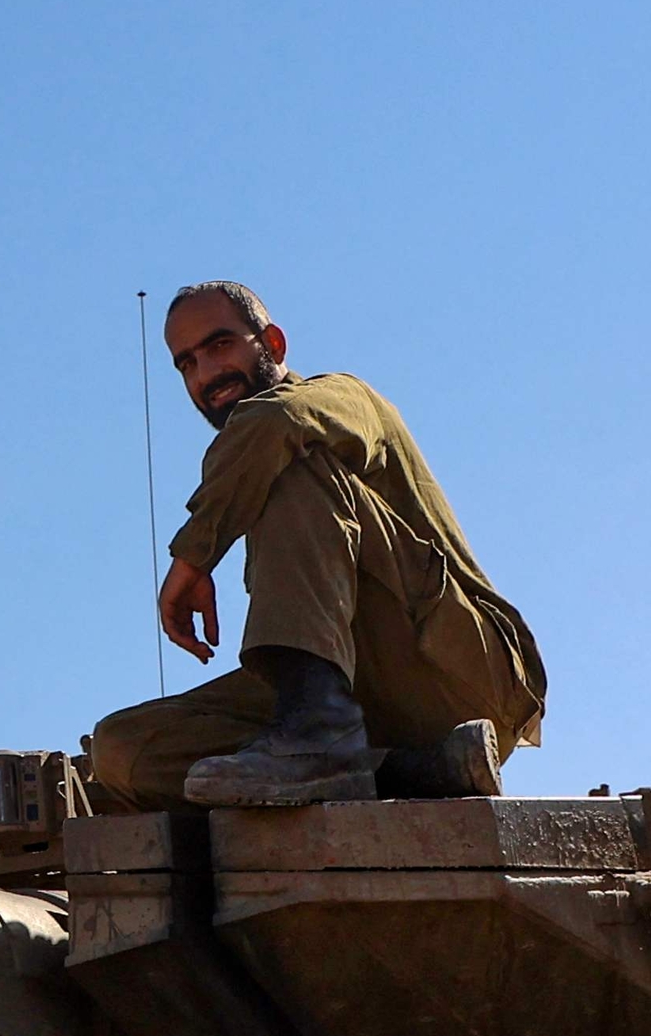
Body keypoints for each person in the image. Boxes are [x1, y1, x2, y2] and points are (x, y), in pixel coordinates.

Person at [85, 282, 547, 810]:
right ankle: (408, 771)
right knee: (122, 748)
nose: (205, 374)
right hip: (366, 706)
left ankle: (320, 736)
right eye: (186, 364)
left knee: (291, 458)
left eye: (220, 345)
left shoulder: (344, 399)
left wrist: (193, 557)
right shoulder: (249, 466)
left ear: (274, 344)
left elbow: (276, 421)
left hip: (458, 672)